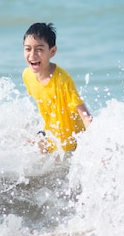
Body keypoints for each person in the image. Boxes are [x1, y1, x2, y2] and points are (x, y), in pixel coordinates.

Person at [22, 22, 92, 153]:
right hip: (50, 136)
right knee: (23, 146)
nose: (32, 55)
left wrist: (95, 142)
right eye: (28, 49)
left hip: (71, 143)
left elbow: (86, 116)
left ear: (52, 51)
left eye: (39, 49)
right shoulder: (27, 75)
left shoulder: (63, 80)